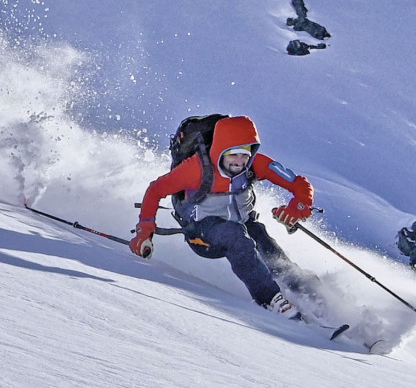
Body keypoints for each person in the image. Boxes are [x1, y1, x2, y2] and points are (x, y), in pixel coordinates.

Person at [130, 115, 314, 317]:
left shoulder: (255, 164)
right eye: (233, 154)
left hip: (243, 224)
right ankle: (271, 300)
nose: (240, 161)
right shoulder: (196, 169)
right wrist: (144, 230)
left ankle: (306, 291)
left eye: (245, 154)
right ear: (220, 151)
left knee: (262, 241)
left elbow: (299, 184)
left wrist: (297, 208)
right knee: (235, 235)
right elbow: (156, 190)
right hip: (203, 235)